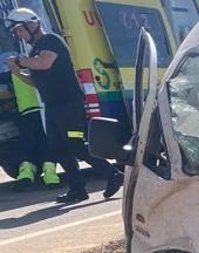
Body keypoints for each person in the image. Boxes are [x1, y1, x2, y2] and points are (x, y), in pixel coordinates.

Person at [5, 8, 121, 204]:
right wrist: (17, 71)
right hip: (52, 106)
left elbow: (45, 63)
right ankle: (78, 189)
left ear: (31, 25)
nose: (19, 35)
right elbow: (35, 80)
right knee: (58, 148)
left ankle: (112, 173)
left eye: (19, 30)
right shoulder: (34, 51)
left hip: (69, 105)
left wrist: (20, 60)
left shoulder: (51, 41)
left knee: (74, 143)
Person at [10, 72, 58, 192]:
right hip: (43, 108)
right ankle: (50, 177)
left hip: (26, 110)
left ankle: (26, 175)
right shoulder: (37, 64)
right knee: (46, 142)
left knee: (28, 144)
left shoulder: (14, 70)